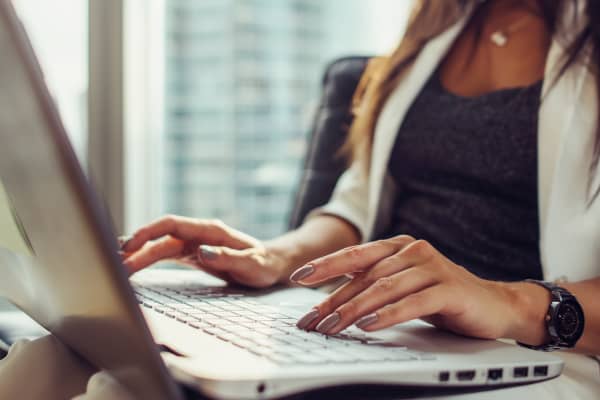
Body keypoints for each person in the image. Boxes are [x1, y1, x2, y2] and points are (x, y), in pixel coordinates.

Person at [122, 0, 600, 372]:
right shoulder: (434, 29)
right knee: (137, 374)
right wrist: (277, 258)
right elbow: (357, 203)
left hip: (528, 354)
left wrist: (508, 302)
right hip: (390, 336)